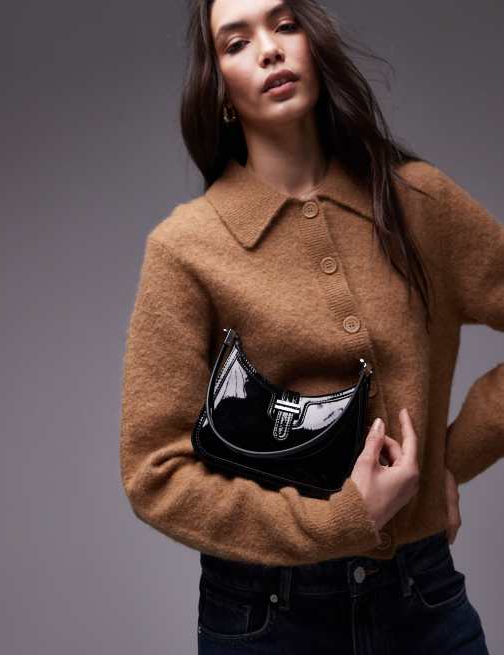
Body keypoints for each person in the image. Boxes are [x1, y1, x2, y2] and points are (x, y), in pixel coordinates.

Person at [119, 0, 504, 652]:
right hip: (266, 614)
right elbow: (153, 473)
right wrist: (338, 522)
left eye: (284, 24)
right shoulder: (185, 248)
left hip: (421, 596)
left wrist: (450, 458)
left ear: (314, 44)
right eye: (236, 43)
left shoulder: (418, 201)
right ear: (220, 91)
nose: (269, 49)